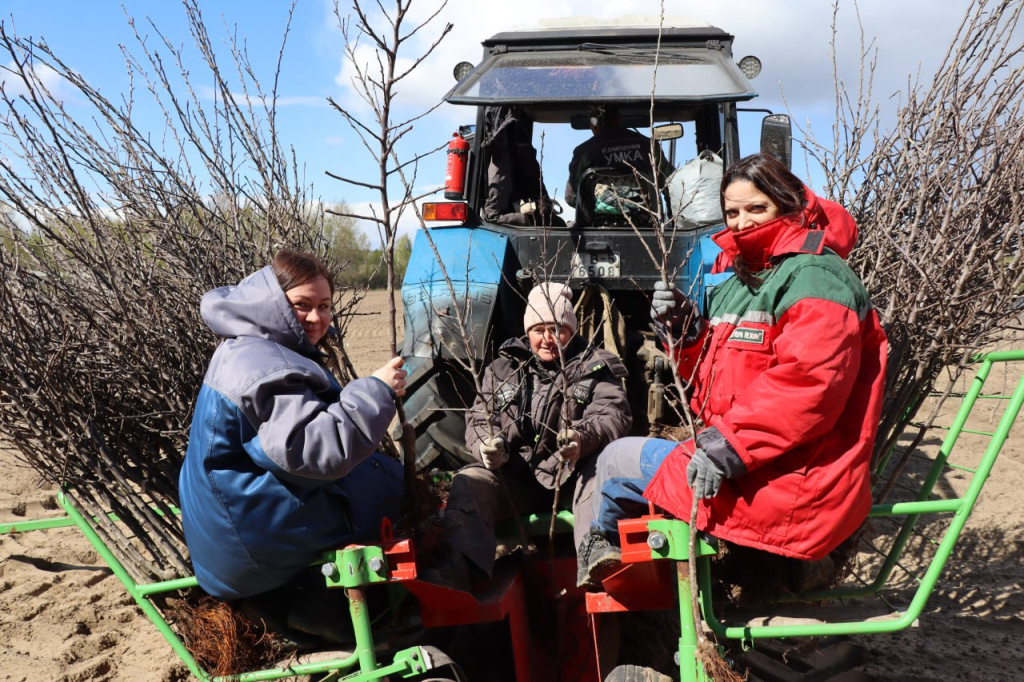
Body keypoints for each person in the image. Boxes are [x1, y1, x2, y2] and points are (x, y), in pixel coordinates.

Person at [576, 153, 888, 590]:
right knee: (619, 463)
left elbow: (808, 387)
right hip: (754, 463)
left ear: (788, 204)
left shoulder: (817, 278)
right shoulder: (743, 281)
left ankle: (631, 600)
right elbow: (714, 385)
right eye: (732, 213)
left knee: (611, 462)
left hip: (790, 481)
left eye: (756, 209)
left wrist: (727, 447)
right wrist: (685, 330)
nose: (742, 224)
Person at [179, 249, 408, 605]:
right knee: (390, 491)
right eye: (302, 305)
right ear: (275, 305)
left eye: (325, 305)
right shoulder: (262, 367)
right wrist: (376, 390)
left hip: (239, 534)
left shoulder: (253, 346)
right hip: (253, 548)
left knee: (383, 478)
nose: (317, 318)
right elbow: (319, 453)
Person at [426, 282, 632, 590]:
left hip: (573, 476)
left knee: (598, 474)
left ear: (571, 330)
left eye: (556, 329)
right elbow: (480, 416)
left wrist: (580, 438)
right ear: (527, 331)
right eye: (538, 330)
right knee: (471, 479)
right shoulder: (501, 368)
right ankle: (460, 567)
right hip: (517, 479)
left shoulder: (596, 365)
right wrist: (488, 444)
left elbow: (613, 414)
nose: (547, 339)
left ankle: (596, 556)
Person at [564, 104, 673, 222]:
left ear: (594, 124)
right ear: (619, 119)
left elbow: (571, 197)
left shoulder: (583, 152)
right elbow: (671, 184)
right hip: (646, 225)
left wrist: (605, 206)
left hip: (598, 226)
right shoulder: (648, 146)